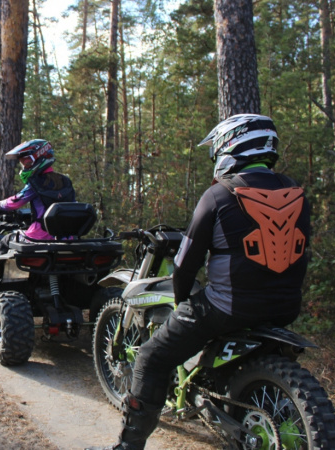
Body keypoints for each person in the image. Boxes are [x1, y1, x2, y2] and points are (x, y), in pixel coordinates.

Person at [107, 114, 311, 449]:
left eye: (216, 150)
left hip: (227, 308)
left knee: (151, 357)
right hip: (286, 307)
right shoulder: (298, 195)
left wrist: (182, 301)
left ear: (231, 147)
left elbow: (185, 263)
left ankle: (128, 446)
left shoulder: (218, 195)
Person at [0, 139, 75, 296]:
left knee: (4, 241)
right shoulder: (65, 181)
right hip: (67, 237)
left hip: (39, 237)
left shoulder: (36, 183)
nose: (24, 166)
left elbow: (14, 202)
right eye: (22, 162)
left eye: (27, 161)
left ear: (40, 158)